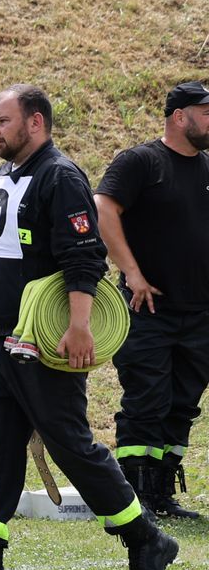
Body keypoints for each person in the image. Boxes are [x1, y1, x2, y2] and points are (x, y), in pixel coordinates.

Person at [0, 87, 178, 570]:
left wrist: (79, 326)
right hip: (0, 342)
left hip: (45, 343)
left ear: (35, 122)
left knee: (72, 447)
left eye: (2, 121)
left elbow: (84, 258)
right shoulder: (3, 176)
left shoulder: (60, 177)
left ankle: (146, 539)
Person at [96, 80, 209, 521]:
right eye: (206, 111)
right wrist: (132, 271)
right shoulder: (140, 162)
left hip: (200, 313)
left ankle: (163, 493)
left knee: (183, 403)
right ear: (179, 116)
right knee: (147, 400)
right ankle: (136, 498)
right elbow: (104, 207)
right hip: (148, 310)